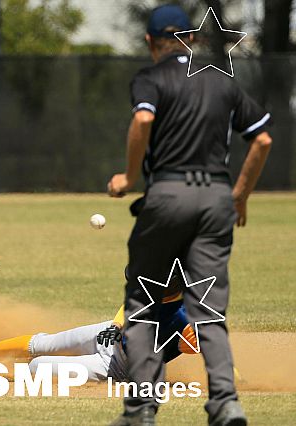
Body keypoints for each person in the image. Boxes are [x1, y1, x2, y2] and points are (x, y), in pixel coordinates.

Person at [107, 5, 272, 426]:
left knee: (143, 303)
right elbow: (262, 140)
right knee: (209, 310)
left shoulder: (150, 78)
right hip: (216, 199)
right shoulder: (222, 80)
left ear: (150, 41)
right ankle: (226, 404)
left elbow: (143, 119)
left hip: (167, 194)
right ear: (191, 38)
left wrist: (129, 176)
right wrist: (240, 196)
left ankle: (141, 408)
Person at [0, 273, 199, 382]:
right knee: (44, 343)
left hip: (119, 367)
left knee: (38, 366)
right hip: (109, 335)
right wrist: (116, 324)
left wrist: (192, 343)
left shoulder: (187, 317)